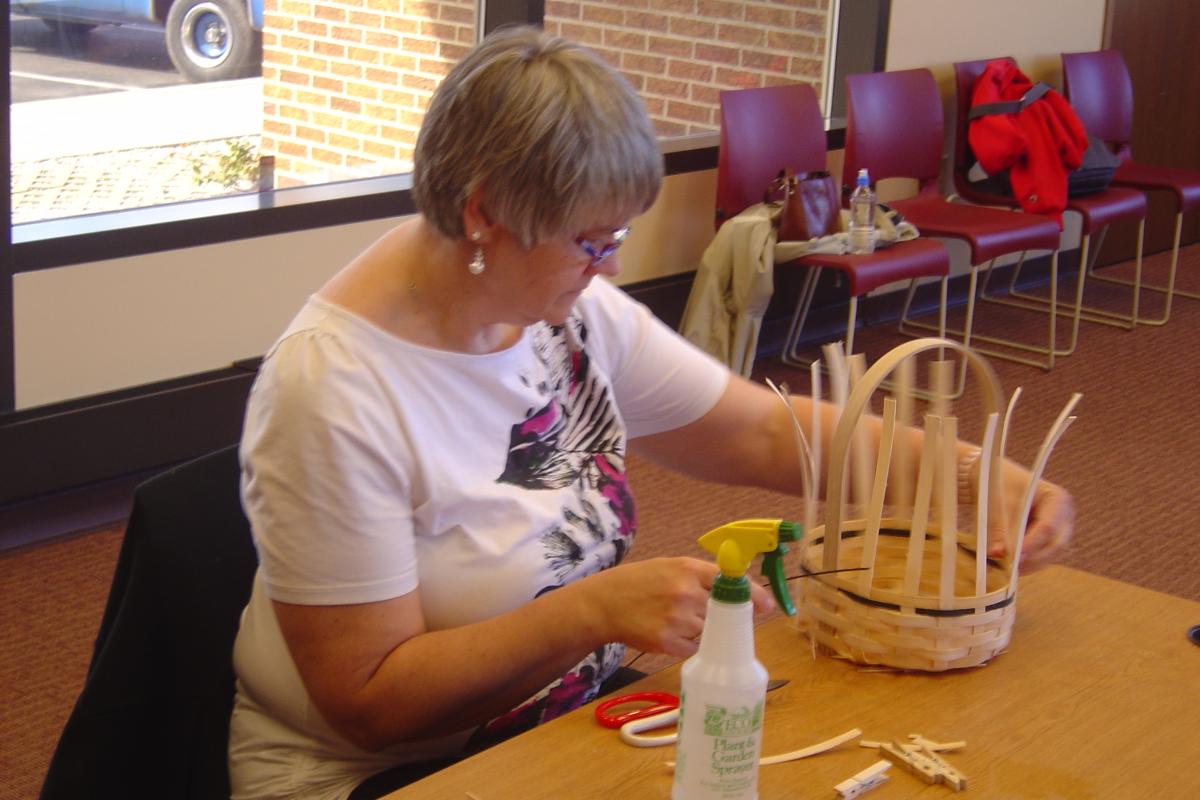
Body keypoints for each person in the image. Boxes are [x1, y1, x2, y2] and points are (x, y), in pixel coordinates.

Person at [228, 26, 1075, 800]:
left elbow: (760, 431)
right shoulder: (332, 391)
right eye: (592, 241)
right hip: (386, 774)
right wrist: (592, 612)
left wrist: (975, 475)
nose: (610, 265)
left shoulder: (558, 308)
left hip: (553, 726)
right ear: (484, 212)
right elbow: (368, 705)